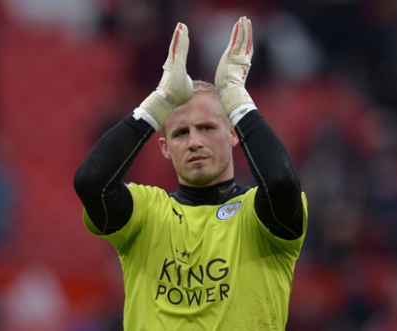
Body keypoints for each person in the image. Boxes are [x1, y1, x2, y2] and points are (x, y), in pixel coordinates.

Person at [74, 16, 308, 330]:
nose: (195, 141)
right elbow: (91, 183)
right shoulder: (147, 214)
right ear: (165, 147)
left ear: (233, 134)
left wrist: (236, 98)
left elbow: (281, 182)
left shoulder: (257, 214)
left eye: (207, 128)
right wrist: (159, 103)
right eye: (181, 133)